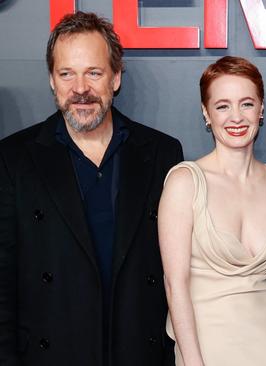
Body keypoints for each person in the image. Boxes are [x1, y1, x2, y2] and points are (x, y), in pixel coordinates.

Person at [0, 11, 183, 366]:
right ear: (52, 81)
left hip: (137, 352)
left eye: (93, 73)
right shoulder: (13, 159)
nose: (80, 88)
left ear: (115, 78)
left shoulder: (161, 153)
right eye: (66, 73)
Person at [159, 56, 266, 366]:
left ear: (261, 110)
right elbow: (174, 283)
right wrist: (193, 361)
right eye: (222, 106)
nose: (236, 117)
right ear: (207, 114)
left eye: (246, 104)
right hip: (207, 348)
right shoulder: (185, 182)